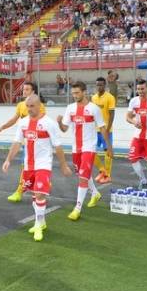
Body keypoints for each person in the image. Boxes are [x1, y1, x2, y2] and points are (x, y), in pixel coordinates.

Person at [2, 95, 72, 241]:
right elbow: (17, 143)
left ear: (39, 105)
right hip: (29, 166)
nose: (29, 109)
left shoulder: (49, 123)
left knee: (40, 194)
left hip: (43, 165)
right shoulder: (23, 123)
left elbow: (57, 146)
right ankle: (42, 222)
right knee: (34, 195)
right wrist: (8, 160)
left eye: (32, 106)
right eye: (27, 106)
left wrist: (64, 165)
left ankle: (38, 225)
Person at [57, 81, 112, 221]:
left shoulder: (94, 109)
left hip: (89, 147)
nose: (75, 96)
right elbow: (64, 129)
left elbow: (102, 128)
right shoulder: (70, 108)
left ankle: (77, 208)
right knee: (82, 175)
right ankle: (95, 193)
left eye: (77, 93)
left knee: (82, 177)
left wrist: (109, 147)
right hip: (76, 148)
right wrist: (59, 122)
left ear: (84, 92)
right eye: (73, 93)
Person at [0, 82, 46, 202]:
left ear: (33, 92)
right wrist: (2, 127)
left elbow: (42, 124)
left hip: (37, 144)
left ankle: (22, 190)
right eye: (24, 89)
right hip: (26, 143)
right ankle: (31, 188)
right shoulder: (20, 105)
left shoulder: (40, 106)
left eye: (27, 89)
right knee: (26, 167)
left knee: (30, 167)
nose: (24, 91)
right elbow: (14, 119)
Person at [126, 79, 147, 189]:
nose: (140, 91)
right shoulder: (134, 101)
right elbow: (128, 117)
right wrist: (134, 121)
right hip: (138, 136)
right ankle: (143, 180)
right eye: (138, 89)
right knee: (132, 158)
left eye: (142, 89)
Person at [91, 77, 116, 184]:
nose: (99, 87)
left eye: (101, 85)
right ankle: (102, 170)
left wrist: (108, 129)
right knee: (91, 151)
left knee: (107, 152)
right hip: (95, 130)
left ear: (105, 85)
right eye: (97, 85)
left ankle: (108, 176)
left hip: (106, 130)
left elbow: (112, 115)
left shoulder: (110, 97)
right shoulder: (93, 98)